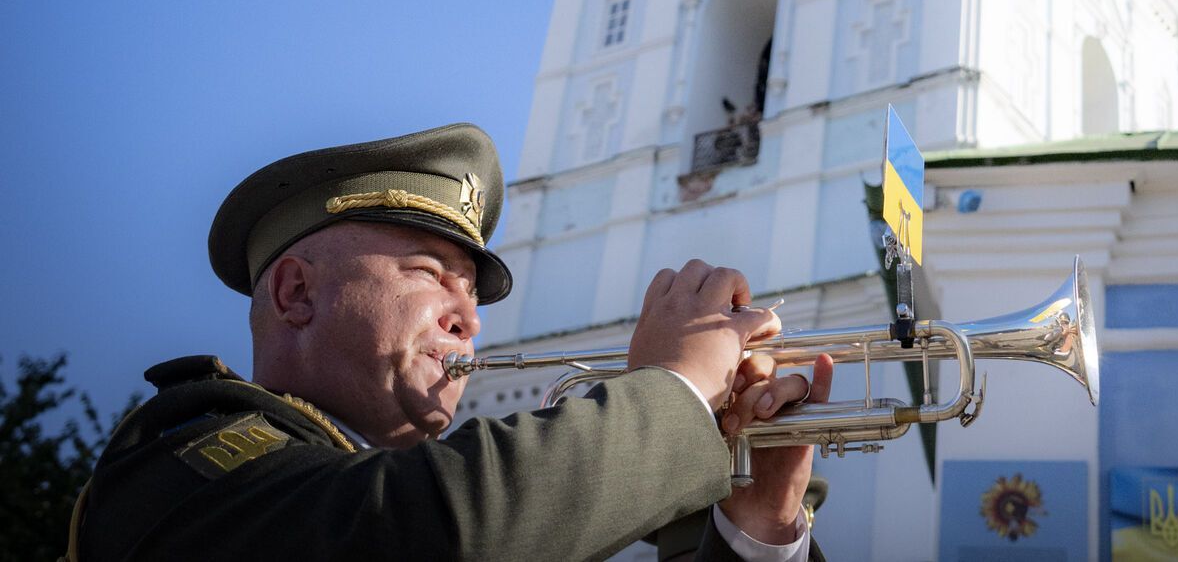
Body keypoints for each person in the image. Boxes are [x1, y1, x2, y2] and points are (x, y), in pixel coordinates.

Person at [71, 123, 833, 561]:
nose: (468, 317)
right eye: (429, 272)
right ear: (297, 292)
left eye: (473, 292)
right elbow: (439, 526)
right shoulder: (186, 469)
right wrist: (675, 391)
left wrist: (759, 525)